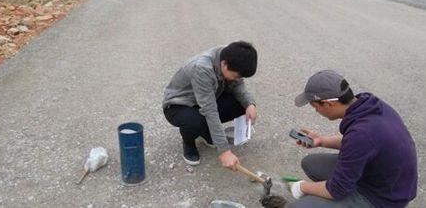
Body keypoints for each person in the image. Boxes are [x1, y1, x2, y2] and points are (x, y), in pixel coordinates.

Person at [287, 70, 417, 208]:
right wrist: (322, 141)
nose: (316, 112)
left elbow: (336, 190)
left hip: (383, 198)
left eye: (315, 107)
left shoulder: (361, 133)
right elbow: (359, 145)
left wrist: (301, 187)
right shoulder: (369, 105)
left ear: (328, 104)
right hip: (383, 177)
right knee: (311, 164)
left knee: (296, 206)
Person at [163, 41, 258, 170]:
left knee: (241, 104)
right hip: (179, 105)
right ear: (224, 64)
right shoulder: (202, 68)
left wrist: (250, 104)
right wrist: (224, 151)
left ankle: (206, 131)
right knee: (195, 121)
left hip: (206, 98)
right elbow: (209, 110)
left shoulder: (230, 56)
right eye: (236, 76)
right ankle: (188, 142)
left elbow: (238, 86)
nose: (237, 79)